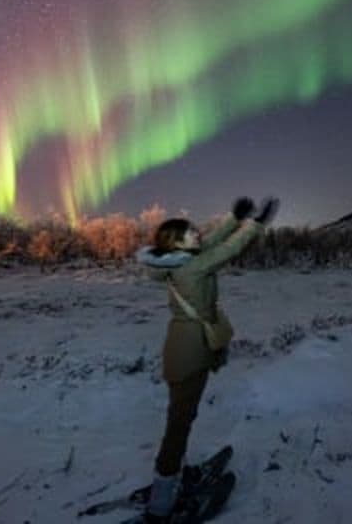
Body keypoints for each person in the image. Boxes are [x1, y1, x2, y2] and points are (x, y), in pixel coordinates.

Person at [135, 195, 280, 522]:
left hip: (183, 345)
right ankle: (162, 498)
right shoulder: (192, 267)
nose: (197, 234)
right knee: (179, 424)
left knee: (182, 417)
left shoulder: (177, 260)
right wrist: (255, 224)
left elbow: (211, 241)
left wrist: (233, 217)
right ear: (177, 243)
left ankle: (175, 474)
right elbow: (228, 250)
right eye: (190, 233)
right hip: (190, 350)